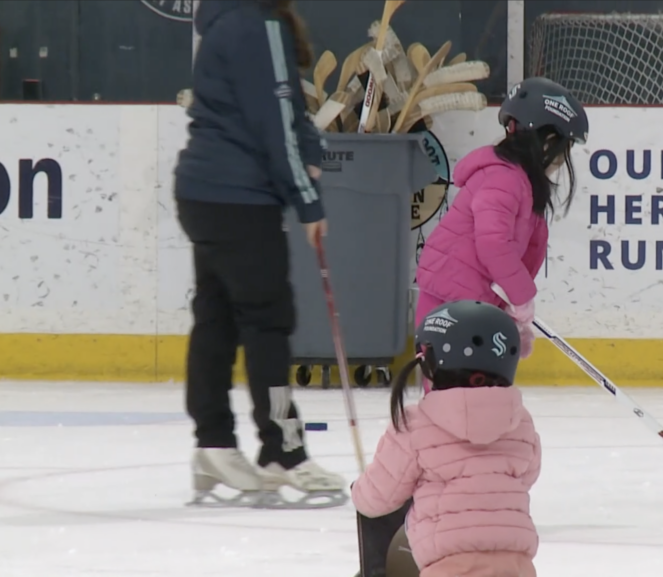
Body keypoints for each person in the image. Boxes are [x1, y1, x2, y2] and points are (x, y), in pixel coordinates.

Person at [174, 0, 345, 508]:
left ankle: (214, 442)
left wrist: (310, 154)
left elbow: (285, 113)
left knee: (217, 317)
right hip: (238, 198)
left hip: (204, 193)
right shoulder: (259, 25)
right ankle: (283, 452)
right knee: (267, 321)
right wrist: (309, 202)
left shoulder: (227, 23)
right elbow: (274, 124)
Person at [414, 77, 589, 391]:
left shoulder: (521, 182)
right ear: (546, 139)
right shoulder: (503, 179)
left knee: (478, 407)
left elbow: (509, 256)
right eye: (565, 147)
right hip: (450, 310)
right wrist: (521, 298)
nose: (564, 159)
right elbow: (493, 244)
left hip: (469, 307)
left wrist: (506, 311)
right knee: (452, 405)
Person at [351, 300, 541, 577]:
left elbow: (376, 499)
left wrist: (360, 489)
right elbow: (528, 475)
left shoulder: (416, 424)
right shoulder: (521, 421)